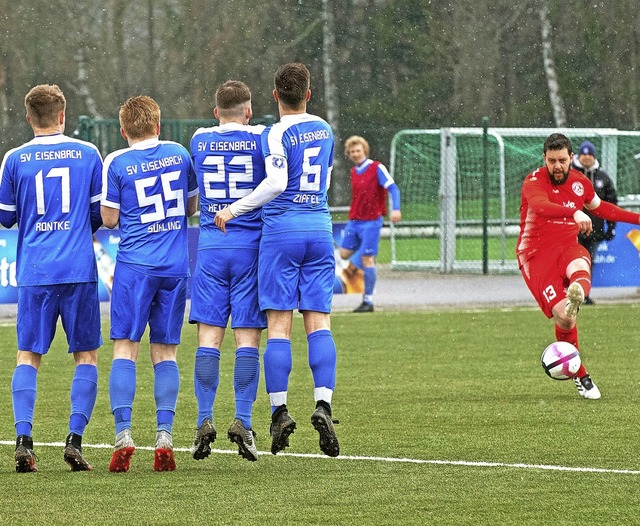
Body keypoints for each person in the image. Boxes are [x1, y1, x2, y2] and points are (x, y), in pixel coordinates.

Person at [215, 63, 339, 457]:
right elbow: (327, 179)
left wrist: (234, 210)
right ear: (309, 92)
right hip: (320, 227)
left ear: (274, 95)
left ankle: (279, 410)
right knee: (318, 321)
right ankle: (323, 403)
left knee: (279, 325)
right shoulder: (325, 128)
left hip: (283, 230)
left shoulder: (277, 133)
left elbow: (277, 182)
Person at [0, 84, 103, 473]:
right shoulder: (88, 154)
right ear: (63, 115)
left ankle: (24, 441)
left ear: (29, 117)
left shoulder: (15, 158)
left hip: (35, 271)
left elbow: (5, 216)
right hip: (77, 268)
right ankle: (74, 440)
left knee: (28, 355)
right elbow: (98, 215)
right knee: (86, 356)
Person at [101, 95, 199, 472]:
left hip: (135, 268)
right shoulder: (179, 153)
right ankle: (164, 435)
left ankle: (124, 435)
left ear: (123, 130)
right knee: (166, 352)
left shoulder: (118, 161)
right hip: (174, 267)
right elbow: (190, 208)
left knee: (126, 349)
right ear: (159, 125)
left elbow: (109, 219)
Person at [516, 133, 640, 400]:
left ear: (571, 158)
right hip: (536, 256)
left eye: (562, 160)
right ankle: (581, 374)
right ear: (544, 159)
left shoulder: (580, 183)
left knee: (580, 266)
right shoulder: (534, 182)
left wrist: (637, 218)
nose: (557, 166)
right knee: (565, 317)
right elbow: (541, 206)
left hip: (567, 246)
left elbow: (603, 208)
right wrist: (573, 212)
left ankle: (577, 292)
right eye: (552, 161)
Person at [188, 80, 266, 462]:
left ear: (215, 111)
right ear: (249, 111)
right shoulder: (262, 139)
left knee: (209, 339)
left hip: (211, 250)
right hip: (250, 248)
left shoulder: (199, 139)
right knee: (247, 340)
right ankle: (243, 420)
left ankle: (204, 418)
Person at [339, 136, 401, 312]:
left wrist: (396, 208)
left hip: (372, 221)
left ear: (364, 150)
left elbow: (393, 188)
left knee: (367, 260)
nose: (355, 154)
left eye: (358, 150)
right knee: (343, 254)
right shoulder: (353, 172)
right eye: (352, 152)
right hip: (355, 221)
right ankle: (367, 252)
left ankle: (368, 300)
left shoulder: (376, 168)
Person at [571, 141, 618, 305]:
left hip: (593, 230)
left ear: (594, 157)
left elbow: (611, 203)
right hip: (571, 230)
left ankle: (584, 294)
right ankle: (567, 292)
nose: (586, 158)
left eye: (589, 155)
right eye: (583, 155)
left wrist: (611, 227)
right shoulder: (569, 175)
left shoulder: (602, 178)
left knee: (588, 261)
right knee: (571, 261)